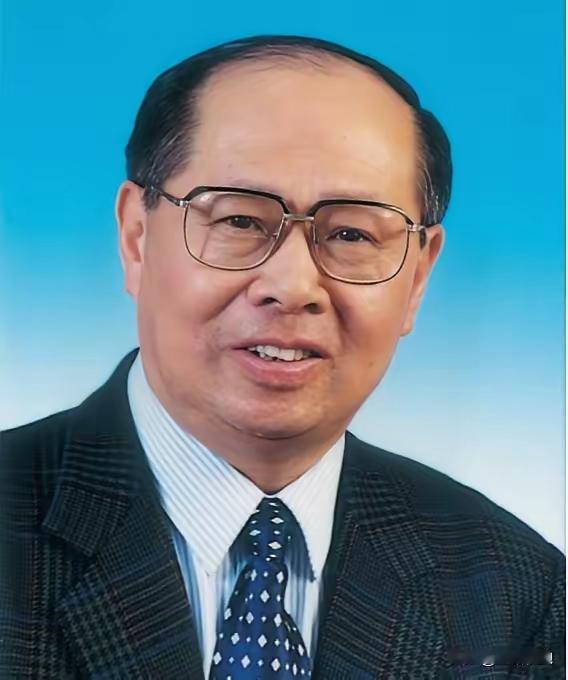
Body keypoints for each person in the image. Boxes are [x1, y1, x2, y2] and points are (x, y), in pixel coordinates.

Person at [0, 35, 564, 679]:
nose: (293, 286)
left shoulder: (515, 590)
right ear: (137, 237)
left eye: (351, 233)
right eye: (240, 221)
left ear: (417, 278)